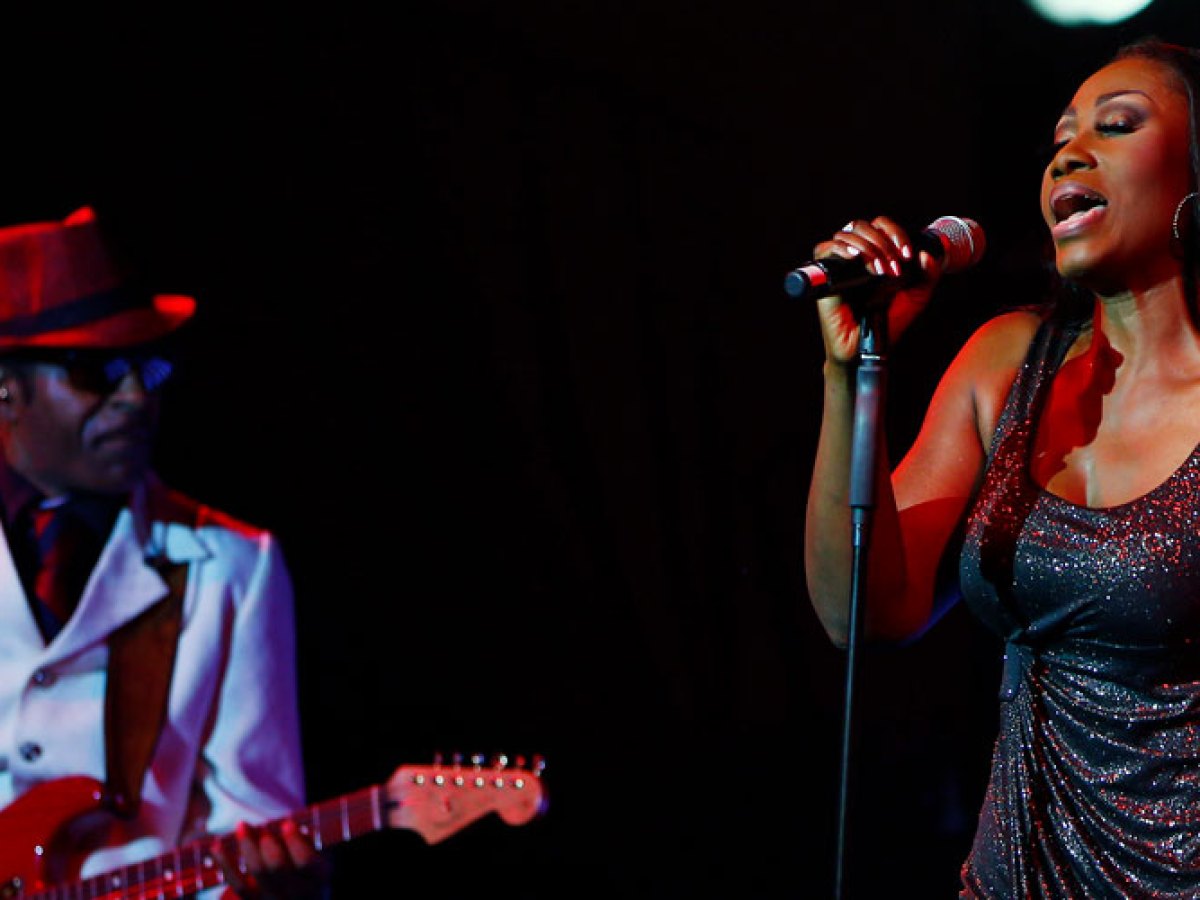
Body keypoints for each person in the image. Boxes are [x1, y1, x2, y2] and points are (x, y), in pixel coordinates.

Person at [804, 36, 1200, 896]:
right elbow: (861, 612)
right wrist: (851, 375)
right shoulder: (1005, 362)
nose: (1071, 151)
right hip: (1009, 874)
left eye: (1118, 125)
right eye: (1062, 136)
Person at [0, 206, 328, 898]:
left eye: (148, 368)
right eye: (97, 371)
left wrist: (264, 886)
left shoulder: (233, 564)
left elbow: (252, 818)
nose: (135, 397)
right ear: (6, 389)